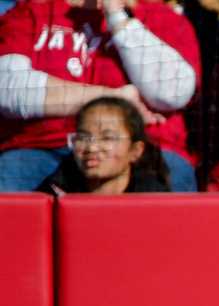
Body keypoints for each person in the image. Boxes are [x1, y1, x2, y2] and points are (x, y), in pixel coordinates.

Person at [0, 0, 199, 192]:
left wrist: (117, 17)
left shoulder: (161, 17)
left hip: (141, 150)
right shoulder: (31, 13)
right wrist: (116, 98)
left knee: (167, 206)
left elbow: (172, 93)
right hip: (42, 148)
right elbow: (8, 91)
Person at [37, 96, 170, 194]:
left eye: (107, 138)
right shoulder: (53, 192)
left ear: (135, 151)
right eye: (83, 137)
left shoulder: (154, 199)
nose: (91, 148)